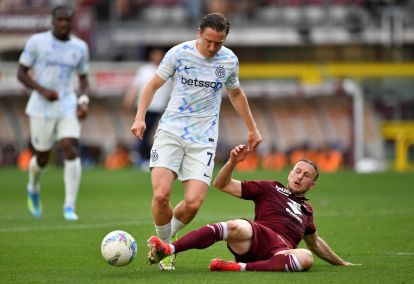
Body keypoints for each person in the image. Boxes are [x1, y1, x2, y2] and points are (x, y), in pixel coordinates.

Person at [131, 13, 262, 270]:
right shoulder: (178, 54)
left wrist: (252, 128)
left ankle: (165, 241)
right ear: (199, 33)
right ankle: (166, 246)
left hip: (204, 139)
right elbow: (151, 85)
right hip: (170, 131)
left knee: (193, 203)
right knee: (161, 195)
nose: (213, 48)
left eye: (219, 43)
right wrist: (140, 118)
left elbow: (236, 94)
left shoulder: (229, 60)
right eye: (209, 41)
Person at [147, 144, 358, 272]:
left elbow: (315, 244)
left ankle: (235, 268)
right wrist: (231, 162)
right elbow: (222, 184)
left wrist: (341, 263)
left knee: (306, 258)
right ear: (290, 174)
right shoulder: (271, 187)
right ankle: (168, 249)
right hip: (256, 236)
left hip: (281, 250)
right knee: (236, 226)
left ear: (312, 185)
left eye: (306, 175)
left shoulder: (307, 211)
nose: (299, 176)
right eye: (297, 171)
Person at [17, 5, 90, 221]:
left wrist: (83, 101)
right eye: (60, 20)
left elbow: (84, 78)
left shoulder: (80, 47)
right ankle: (33, 185)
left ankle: (69, 206)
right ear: (53, 21)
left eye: (67, 20)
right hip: (41, 106)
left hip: (67, 103)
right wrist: (42, 90)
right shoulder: (37, 42)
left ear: (71, 22)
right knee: (42, 157)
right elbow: (21, 72)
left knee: (70, 148)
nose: (64, 24)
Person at [123, 48, 172, 168]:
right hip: (145, 107)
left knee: (152, 134)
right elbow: (135, 86)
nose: (157, 57)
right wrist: (129, 100)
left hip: (159, 107)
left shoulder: (168, 69)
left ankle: (140, 156)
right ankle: (141, 157)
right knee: (144, 132)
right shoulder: (144, 70)